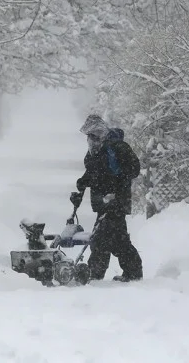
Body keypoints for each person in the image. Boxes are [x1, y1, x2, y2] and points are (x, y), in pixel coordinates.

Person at [70, 114, 143, 282]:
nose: (90, 140)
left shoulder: (117, 148)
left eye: (93, 136)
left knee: (107, 240)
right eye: (89, 136)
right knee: (112, 240)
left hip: (116, 202)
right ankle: (128, 273)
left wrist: (116, 188)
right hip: (103, 204)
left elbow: (133, 170)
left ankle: (96, 274)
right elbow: (93, 172)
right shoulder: (94, 153)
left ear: (100, 134)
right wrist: (82, 183)